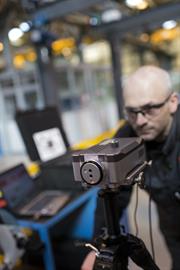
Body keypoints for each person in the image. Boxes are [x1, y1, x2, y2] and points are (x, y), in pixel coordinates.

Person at [81, 65, 180, 270]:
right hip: (172, 225)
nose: (140, 121)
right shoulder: (127, 137)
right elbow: (112, 195)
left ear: (173, 102)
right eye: (132, 111)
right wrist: (98, 247)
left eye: (150, 108)